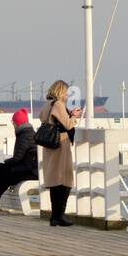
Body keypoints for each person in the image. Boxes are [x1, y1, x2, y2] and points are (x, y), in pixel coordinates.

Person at [38, 81, 81, 227]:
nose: (67, 94)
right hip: (60, 144)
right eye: (66, 92)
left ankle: (54, 216)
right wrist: (74, 116)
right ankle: (59, 215)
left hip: (49, 145)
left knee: (55, 179)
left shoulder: (47, 104)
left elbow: (45, 118)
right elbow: (68, 124)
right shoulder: (58, 104)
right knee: (65, 179)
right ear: (61, 91)